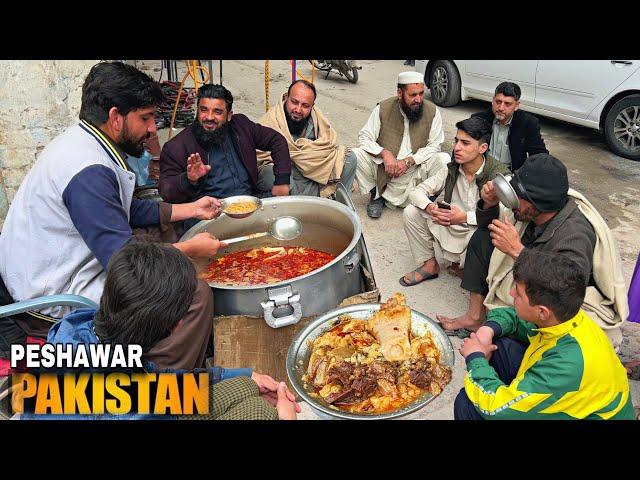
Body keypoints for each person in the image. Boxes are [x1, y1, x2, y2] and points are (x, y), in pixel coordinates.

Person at [0, 62, 224, 368]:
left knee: (165, 233)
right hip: (56, 293)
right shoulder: (87, 171)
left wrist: (194, 209)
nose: (150, 129)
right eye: (145, 118)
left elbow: (123, 208)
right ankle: (159, 384)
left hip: (63, 262)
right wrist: (191, 249)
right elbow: (126, 262)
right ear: (115, 117)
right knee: (193, 292)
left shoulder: (87, 140)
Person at [37, 241, 299, 420]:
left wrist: (244, 374)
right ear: (176, 325)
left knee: (243, 388)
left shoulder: (86, 327)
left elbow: (155, 382)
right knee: (261, 413)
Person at [437, 153, 627, 351]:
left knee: (504, 349)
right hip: (529, 271)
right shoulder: (530, 211)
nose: (513, 202)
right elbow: (487, 225)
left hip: (556, 300)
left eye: (519, 197)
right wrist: (489, 204)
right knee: (483, 238)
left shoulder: (574, 235)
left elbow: (565, 286)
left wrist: (518, 251)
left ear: (539, 204)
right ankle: (475, 317)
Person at [454, 249, 635, 420]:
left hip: (576, 403)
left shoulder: (566, 365)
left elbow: (494, 409)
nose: (511, 293)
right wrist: (487, 330)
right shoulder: (567, 318)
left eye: (518, 293)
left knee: (468, 406)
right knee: (500, 344)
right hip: (569, 394)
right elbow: (518, 321)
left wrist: (475, 358)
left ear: (542, 312)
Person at [159, 84, 292, 230]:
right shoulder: (177, 145)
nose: (209, 117)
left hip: (248, 203)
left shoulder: (241, 125)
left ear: (229, 116)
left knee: (286, 219)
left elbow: (276, 140)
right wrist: (189, 179)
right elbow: (166, 193)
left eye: (217, 112)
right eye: (203, 110)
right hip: (208, 213)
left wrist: (282, 182)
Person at [401, 117, 509, 286]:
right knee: (411, 212)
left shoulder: (498, 175)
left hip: (476, 230)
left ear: (483, 148)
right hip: (449, 224)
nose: (457, 147)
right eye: (456, 141)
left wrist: (464, 217)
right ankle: (430, 265)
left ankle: (466, 268)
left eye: (465, 143)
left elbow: (504, 216)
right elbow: (416, 192)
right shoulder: (451, 168)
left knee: (482, 236)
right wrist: (430, 208)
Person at [352, 71, 450, 218]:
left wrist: (409, 161)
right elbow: (364, 137)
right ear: (399, 93)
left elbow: (435, 145)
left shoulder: (432, 111)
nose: (418, 99)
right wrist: (385, 154)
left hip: (416, 171)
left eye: (421, 94)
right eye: (413, 95)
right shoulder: (383, 108)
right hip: (386, 171)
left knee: (444, 160)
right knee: (354, 155)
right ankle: (377, 195)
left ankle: (424, 201)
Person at [256, 79, 357, 198]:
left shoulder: (317, 119)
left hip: (312, 170)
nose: (298, 110)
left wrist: (308, 159)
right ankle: (303, 207)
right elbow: (260, 157)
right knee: (275, 175)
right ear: (286, 97)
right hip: (285, 171)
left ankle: (339, 205)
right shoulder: (270, 121)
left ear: (312, 106)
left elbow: (327, 146)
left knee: (350, 158)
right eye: (294, 102)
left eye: (305, 106)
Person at [472, 81, 548, 171]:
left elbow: (540, 156)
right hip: (481, 170)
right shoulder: (479, 119)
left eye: (507, 104)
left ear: (516, 106)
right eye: (498, 102)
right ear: (493, 101)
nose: (501, 108)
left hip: (510, 175)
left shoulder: (528, 123)